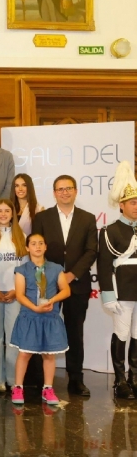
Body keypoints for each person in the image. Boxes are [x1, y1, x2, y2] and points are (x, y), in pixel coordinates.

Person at [32, 175, 97, 397]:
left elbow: (91, 251)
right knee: (44, 329)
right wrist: (55, 276)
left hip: (77, 285)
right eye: (60, 189)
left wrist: (72, 274)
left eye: (68, 188)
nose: (64, 192)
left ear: (75, 191)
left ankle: (75, 379)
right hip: (48, 285)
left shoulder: (87, 218)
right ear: (54, 193)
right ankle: (42, 379)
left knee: (74, 331)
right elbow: (38, 250)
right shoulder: (42, 217)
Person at [10, 233, 70, 406]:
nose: (37, 246)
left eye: (41, 243)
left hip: (50, 317)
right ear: (27, 248)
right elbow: (20, 295)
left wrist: (52, 301)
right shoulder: (22, 270)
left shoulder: (56, 268)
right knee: (24, 354)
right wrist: (35, 307)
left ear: (45, 247)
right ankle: (18, 387)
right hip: (30, 317)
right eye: (33, 243)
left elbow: (65, 290)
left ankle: (48, 388)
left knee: (49, 355)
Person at [98, 161, 137, 399]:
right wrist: (108, 295)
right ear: (121, 205)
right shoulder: (110, 231)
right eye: (133, 202)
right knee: (122, 334)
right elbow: (104, 266)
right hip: (122, 290)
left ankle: (135, 377)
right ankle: (120, 381)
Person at [0, 199, 28, 393]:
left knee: (12, 338)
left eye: (7, 211)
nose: (3, 214)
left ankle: (12, 379)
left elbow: (25, 268)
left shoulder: (21, 236)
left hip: (15, 294)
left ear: (13, 213)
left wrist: (16, 291)